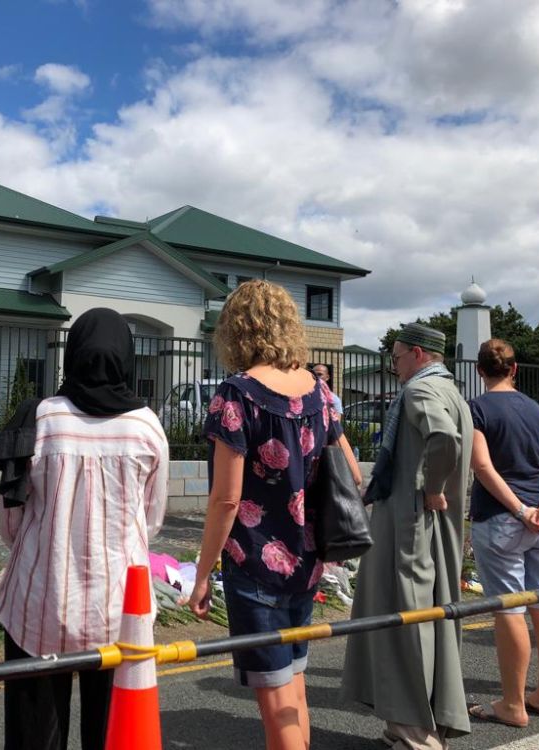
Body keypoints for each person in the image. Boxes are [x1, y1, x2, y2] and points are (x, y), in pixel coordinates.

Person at [0, 307, 169, 750]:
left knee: (35, 735)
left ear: (72, 353)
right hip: (118, 608)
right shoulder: (147, 427)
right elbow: (152, 520)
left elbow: (10, 521)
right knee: (112, 734)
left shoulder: (41, 419)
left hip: (39, 600)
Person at [187, 280, 342, 750]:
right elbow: (343, 468)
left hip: (255, 562)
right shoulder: (317, 392)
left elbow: (226, 500)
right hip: (307, 558)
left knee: (275, 700)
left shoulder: (237, 394)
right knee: (294, 686)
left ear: (236, 330)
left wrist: (200, 576)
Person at [342, 323, 473, 750]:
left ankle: (418, 734)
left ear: (417, 354)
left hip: (409, 525)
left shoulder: (420, 392)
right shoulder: (451, 391)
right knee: (427, 614)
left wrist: (431, 488)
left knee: (408, 618)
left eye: (396, 358)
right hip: (428, 526)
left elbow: (443, 439)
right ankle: (409, 724)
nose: (393, 367)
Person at [466, 339, 539, 727]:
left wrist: (521, 509)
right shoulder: (538, 410)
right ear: (515, 369)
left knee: (510, 608)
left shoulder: (476, 408)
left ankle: (513, 704)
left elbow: (482, 466)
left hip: (502, 519)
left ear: (480, 371)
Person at [312, 361, 364, 487]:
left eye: (320, 374)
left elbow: (336, 425)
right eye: (314, 374)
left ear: (327, 377)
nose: (317, 378)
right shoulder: (310, 396)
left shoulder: (332, 399)